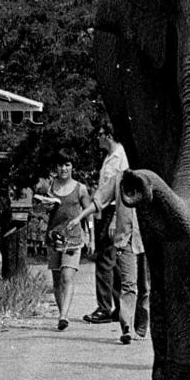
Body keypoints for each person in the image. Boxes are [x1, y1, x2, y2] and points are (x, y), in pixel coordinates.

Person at [71, 121, 150, 344]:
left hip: (146, 239)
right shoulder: (120, 179)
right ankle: (126, 326)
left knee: (145, 287)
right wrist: (79, 216)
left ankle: (141, 325)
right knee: (128, 283)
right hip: (125, 237)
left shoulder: (151, 178)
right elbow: (100, 200)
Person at [40, 148, 92, 331]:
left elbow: (89, 213)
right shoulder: (49, 187)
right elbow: (41, 211)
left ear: (72, 167)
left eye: (67, 165)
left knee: (67, 276)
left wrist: (91, 237)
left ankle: (64, 316)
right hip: (54, 238)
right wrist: (46, 206)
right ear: (56, 167)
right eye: (61, 165)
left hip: (74, 238)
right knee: (56, 279)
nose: (64, 168)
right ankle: (62, 314)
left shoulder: (81, 188)